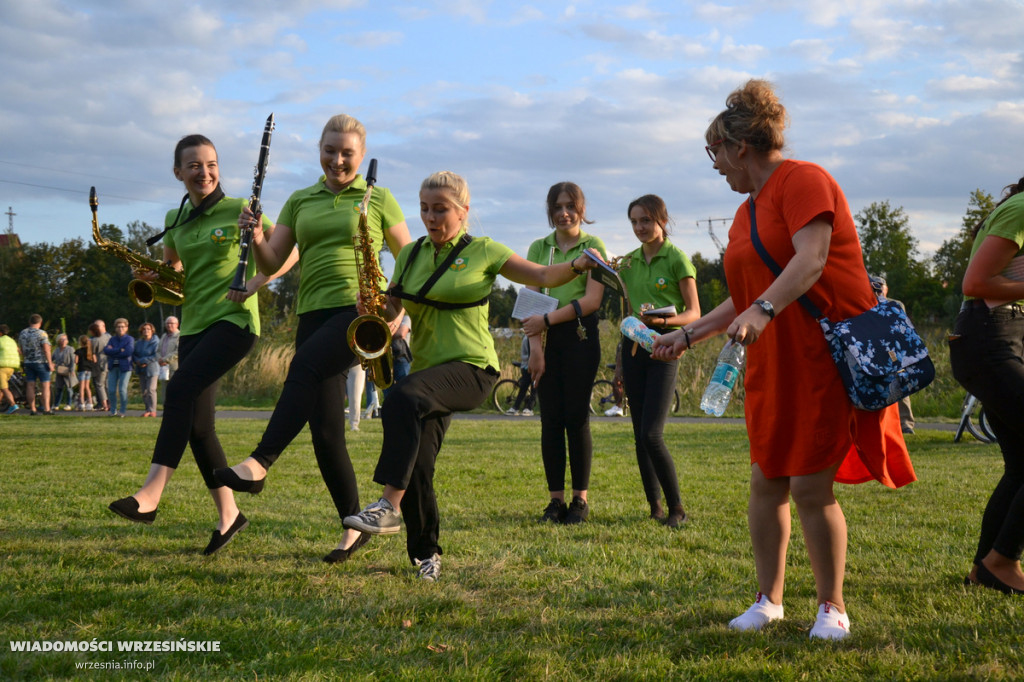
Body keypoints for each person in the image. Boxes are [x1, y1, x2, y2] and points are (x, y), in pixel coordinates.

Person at [652, 79, 915, 640]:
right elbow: (745, 293)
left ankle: (831, 608)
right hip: (770, 361)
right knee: (766, 480)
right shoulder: (748, 211)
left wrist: (764, 311)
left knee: (811, 488)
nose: (716, 166)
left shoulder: (803, 180)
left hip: (816, 360)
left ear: (737, 145)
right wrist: (691, 333)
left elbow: (812, 259)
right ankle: (768, 600)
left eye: (714, 154)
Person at [340, 171, 604, 581]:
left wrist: (578, 264)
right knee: (420, 463)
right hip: (429, 373)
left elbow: (542, 277)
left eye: (441, 209)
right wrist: (369, 308)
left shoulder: (484, 250)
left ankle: (388, 505)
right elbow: (393, 311)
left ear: (463, 212)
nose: (431, 217)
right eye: (425, 208)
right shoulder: (409, 255)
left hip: (473, 369)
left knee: (402, 398)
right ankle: (426, 555)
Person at [214, 114, 410, 563]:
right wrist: (258, 234)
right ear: (318, 149)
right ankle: (353, 528)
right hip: (311, 312)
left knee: (301, 367)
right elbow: (271, 262)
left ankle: (260, 463)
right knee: (325, 434)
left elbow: (410, 257)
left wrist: (394, 308)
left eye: (347, 153)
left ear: (360, 156)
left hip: (357, 309)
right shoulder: (301, 201)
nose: (337, 159)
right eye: (330, 150)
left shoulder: (377, 198)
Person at [107, 133, 282, 556]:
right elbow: (177, 283)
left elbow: (285, 254)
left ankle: (151, 493)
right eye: (194, 166)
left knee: (180, 388)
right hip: (196, 326)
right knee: (200, 428)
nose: (204, 172)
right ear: (178, 173)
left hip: (235, 321)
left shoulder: (243, 209)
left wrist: (258, 255)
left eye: (211, 164)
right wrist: (156, 279)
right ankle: (229, 516)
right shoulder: (175, 219)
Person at [950, 174, 1024, 595]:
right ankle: (1002, 561)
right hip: (988, 340)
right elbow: (974, 284)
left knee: (1021, 465)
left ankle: (986, 570)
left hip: (1000, 338)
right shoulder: (1021, 209)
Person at [520, 182, 607, 524]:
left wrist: (547, 319)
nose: (563, 212)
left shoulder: (594, 246)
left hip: (581, 336)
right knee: (550, 420)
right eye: (557, 207)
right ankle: (555, 501)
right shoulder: (538, 247)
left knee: (576, 417)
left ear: (581, 209)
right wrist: (536, 348)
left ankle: (579, 501)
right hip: (543, 337)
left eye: (570, 206)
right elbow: (530, 300)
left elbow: (592, 301)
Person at [616, 194, 700, 528]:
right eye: (634, 221)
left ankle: (677, 508)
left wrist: (663, 322)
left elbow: (694, 313)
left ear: (662, 220)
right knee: (639, 434)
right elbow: (626, 316)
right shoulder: (629, 262)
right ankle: (655, 508)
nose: (640, 227)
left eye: (646, 220)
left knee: (652, 434)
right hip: (633, 350)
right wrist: (619, 364)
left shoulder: (677, 258)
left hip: (665, 351)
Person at [869, 275, 915, 435]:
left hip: (894, 350)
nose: (879, 289)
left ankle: (906, 424)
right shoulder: (866, 304)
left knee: (901, 383)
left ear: (886, 288)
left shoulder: (895, 304)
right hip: (874, 351)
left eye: (882, 285)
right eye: (876, 286)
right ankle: (882, 425)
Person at [18, 313, 54, 415]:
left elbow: (21, 349)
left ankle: (33, 409)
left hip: (28, 362)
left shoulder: (23, 333)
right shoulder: (42, 333)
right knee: (45, 385)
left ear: (30, 322)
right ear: (40, 323)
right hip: (41, 362)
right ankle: (47, 409)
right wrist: (50, 363)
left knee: (30, 385)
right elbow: (46, 349)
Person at [103, 318, 134, 417]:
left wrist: (114, 351)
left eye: (122, 327)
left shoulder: (129, 339)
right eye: (118, 327)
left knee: (122, 390)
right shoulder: (112, 339)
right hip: (113, 366)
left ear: (126, 328)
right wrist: (120, 350)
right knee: (111, 390)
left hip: (125, 367)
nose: (120, 328)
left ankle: (123, 411)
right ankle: (113, 411)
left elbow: (128, 352)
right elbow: (106, 351)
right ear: (115, 328)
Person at [133, 322, 159, 417]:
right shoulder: (139, 343)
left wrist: (144, 361)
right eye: (144, 329)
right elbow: (134, 354)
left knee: (151, 389)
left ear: (152, 330)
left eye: (148, 329)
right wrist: (138, 361)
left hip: (152, 369)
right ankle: (147, 409)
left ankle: (153, 410)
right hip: (141, 369)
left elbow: (156, 355)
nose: (146, 331)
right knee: (144, 391)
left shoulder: (156, 342)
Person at [51, 333, 77, 411]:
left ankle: (68, 404)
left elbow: (73, 360)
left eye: (65, 339)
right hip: (59, 370)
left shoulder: (70, 349)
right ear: (59, 340)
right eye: (61, 339)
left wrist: (72, 370)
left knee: (69, 388)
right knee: (59, 388)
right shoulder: (56, 350)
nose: (63, 341)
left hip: (68, 370)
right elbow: (52, 359)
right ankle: (56, 404)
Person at [90, 320, 111, 412]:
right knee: (105, 384)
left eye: (98, 326)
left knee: (100, 384)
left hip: (100, 363)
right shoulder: (109, 337)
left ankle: (104, 404)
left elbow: (92, 353)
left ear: (103, 326)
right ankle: (107, 403)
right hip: (108, 363)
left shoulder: (95, 339)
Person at [0, 324, 20, 414]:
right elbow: (18, 351)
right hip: (12, 367)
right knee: (1, 388)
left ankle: (13, 405)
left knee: (4, 388)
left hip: (2, 367)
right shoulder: (12, 341)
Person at [74, 334, 96, 410]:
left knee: (81, 387)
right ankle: (90, 403)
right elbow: (95, 360)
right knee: (87, 387)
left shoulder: (78, 351)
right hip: (89, 370)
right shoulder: (91, 350)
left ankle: (82, 403)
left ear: (80, 342)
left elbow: (76, 361)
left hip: (81, 369)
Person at [158, 315, 180, 383]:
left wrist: (165, 360)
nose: (169, 325)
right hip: (163, 369)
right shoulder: (164, 336)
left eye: (171, 323)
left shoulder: (180, 336)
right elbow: (158, 350)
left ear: (177, 324)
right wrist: (159, 359)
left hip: (174, 368)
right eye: (167, 323)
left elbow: (178, 351)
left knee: (174, 389)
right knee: (164, 390)